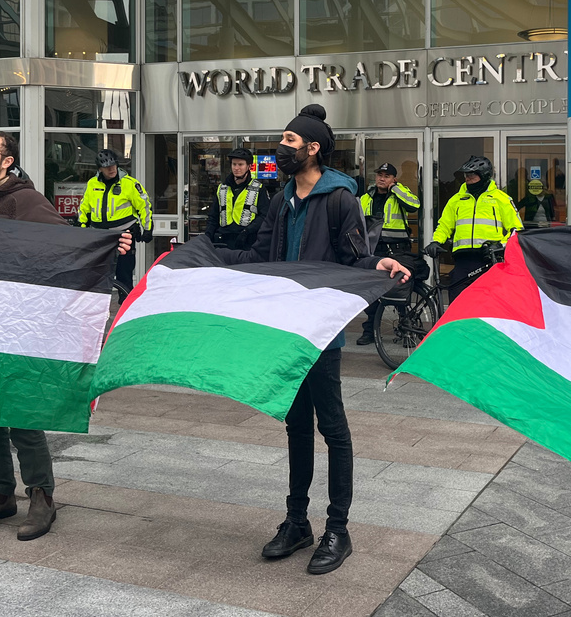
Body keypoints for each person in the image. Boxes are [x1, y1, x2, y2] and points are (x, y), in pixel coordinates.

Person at [218, 104, 410, 575]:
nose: (280, 147)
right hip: (286, 330)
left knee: (333, 428)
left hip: (321, 332)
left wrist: (378, 264)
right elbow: (259, 255)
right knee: (296, 426)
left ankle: (338, 530)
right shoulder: (281, 199)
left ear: (312, 148)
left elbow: (352, 256)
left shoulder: (340, 198)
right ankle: (296, 522)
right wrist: (203, 257)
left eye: (289, 140)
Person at [0, 130, 131, 542]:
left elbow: (64, 242)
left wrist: (106, 242)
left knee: (21, 414)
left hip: (15, 328)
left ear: (7, 161)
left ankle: (41, 497)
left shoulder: (24, 200)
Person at [425, 156, 523, 302]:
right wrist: (436, 241)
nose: (467, 178)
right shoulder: (456, 199)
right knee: (457, 302)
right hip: (462, 260)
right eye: (466, 174)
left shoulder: (501, 199)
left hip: (489, 259)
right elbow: (444, 225)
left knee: (487, 304)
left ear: (484, 175)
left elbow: (516, 230)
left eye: (472, 175)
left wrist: (500, 245)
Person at [356, 163, 421, 345]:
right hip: (374, 249)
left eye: (386, 176)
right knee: (371, 291)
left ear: (394, 179)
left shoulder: (400, 192)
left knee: (399, 289)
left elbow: (414, 205)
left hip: (397, 249)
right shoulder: (366, 198)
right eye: (379, 175)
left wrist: (395, 189)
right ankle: (370, 330)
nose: (382, 179)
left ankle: (406, 328)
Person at [78, 148, 153, 294]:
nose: (111, 169)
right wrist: (82, 226)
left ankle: (125, 301)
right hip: (99, 236)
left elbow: (144, 207)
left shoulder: (130, 184)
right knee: (98, 272)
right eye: (107, 167)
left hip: (123, 234)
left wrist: (148, 228)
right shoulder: (92, 184)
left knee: (124, 272)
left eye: (113, 165)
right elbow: (84, 207)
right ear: (100, 169)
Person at [205, 147, 269, 251]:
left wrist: (247, 232)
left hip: (247, 242)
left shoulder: (259, 188)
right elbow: (213, 216)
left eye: (240, 164)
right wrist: (207, 237)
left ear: (249, 166)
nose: (236, 168)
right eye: (234, 164)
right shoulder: (222, 188)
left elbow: (264, 216)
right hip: (223, 242)